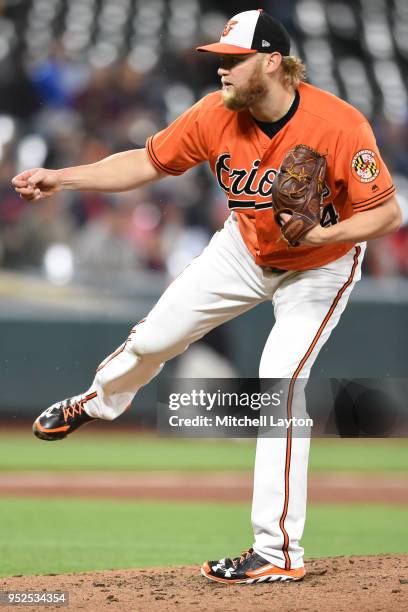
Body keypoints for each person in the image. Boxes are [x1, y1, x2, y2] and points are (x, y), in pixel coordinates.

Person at [12, 9, 401, 585]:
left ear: (272, 61)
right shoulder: (215, 114)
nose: (220, 70)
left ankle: (277, 550)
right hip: (243, 250)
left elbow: (387, 213)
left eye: (231, 60)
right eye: (217, 59)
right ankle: (96, 400)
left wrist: (327, 234)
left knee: (280, 383)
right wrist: (64, 176)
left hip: (319, 266)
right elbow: (146, 162)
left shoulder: (339, 124)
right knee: (154, 339)